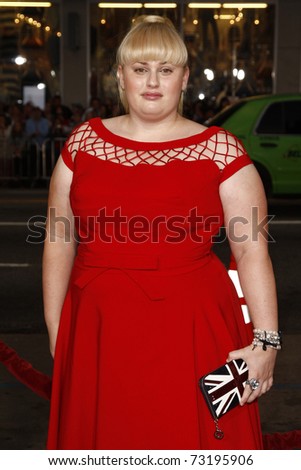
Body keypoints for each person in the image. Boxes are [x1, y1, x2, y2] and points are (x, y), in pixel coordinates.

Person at [43, 15, 280, 450]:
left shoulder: (221, 149)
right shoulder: (82, 144)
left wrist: (266, 343)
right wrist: (58, 326)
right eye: (140, 69)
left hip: (194, 329)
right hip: (97, 329)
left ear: (184, 77)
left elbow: (251, 253)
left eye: (166, 70)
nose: (153, 81)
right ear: (120, 76)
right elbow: (60, 238)